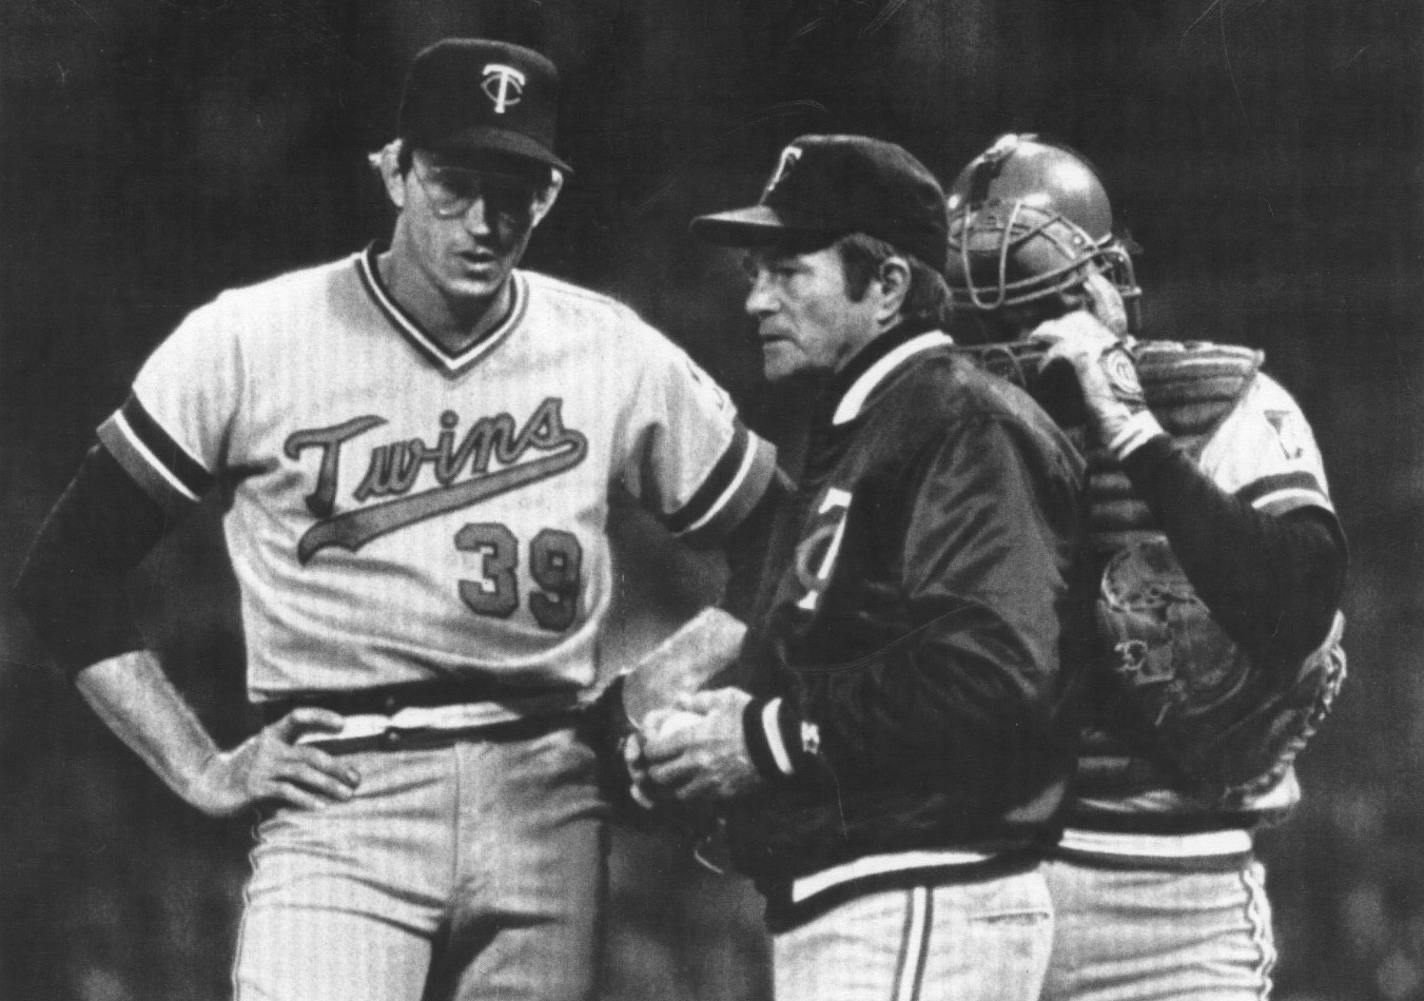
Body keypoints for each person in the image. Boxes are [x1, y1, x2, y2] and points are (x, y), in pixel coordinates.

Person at [12, 37, 780, 1001]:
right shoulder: (251, 337)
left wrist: (656, 678)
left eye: (518, 192)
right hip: (343, 791)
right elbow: (68, 572)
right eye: (456, 182)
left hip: (548, 790)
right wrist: (200, 768)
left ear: (547, 195)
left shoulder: (608, 349)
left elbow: (792, 540)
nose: (485, 221)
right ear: (395, 169)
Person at [630, 133, 1089, 1001]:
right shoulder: (869, 425)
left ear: (886, 288)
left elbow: (992, 671)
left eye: (789, 271)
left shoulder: (959, 419)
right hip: (875, 898)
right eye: (753, 274)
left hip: (922, 893)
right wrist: (718, 731)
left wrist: (760, 738)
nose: (756, 301)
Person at [941, 132, 1349, 1001]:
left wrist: (1134, 431)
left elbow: (1297, 604)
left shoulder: (1220, 399)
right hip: (979, 885)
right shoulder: (937, 431)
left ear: (1101, 289)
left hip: (1178, 904)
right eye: (983, 322)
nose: (1010, 344)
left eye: (1031, 308)